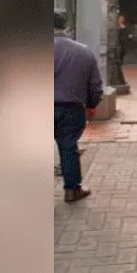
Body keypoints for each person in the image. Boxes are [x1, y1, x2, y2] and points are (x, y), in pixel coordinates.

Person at [54, 12, 103, 203]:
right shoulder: (83, 51)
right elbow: (95, 85)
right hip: (72, 109)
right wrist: (92, 104)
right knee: (68, 148)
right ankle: (72, 191)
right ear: (64, 26)